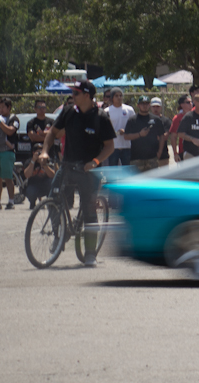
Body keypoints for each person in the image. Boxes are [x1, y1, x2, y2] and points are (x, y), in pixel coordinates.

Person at [40, 80, 115, 266]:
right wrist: (44, 152)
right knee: (52, 200)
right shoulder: (68, 112)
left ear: (87, 96)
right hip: (67, 166)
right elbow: (52, 133)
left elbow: (109, 146)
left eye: (76, 93)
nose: (72, 96)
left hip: (88, 170)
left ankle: (90, 254)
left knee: (89, 210)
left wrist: (95, 162)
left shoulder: (101, 117)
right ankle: (60, 234)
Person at [0, 98, 19, 210]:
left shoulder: (13, 119)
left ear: (9, 107)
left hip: (7, 152)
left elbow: (10, 131)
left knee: (8, 177)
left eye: (3, 107)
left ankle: (11, 201)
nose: (0, 110)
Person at [123, 96, 167, 172]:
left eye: (146, 104)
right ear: (138, 105)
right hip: (136, 158)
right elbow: (126, 136)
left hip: (152, 157)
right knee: (137, 179)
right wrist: (139, 134)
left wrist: (160, 152)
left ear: (149, 105)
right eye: (142, 104)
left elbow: (162, 136)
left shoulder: (156, 119)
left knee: (152, 179)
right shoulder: (132, 120)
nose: (144, 106)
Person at [104, 88, 135, 166]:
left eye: (120, 95)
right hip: (113, 147)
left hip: (126, 146)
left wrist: (126, 131)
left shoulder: (129, 110)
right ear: (112, 98)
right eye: (116, 96)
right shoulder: (107, 111)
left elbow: (134, 125)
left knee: (126, 169)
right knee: (113, 169)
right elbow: (105, 128)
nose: (119, 98)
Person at [149, 97, 172, 166]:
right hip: (149, 156)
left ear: (161, 107)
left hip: (163, 155)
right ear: (150, 107)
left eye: (157, 107)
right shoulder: (146, 120)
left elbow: (165, 136)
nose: (155, 109)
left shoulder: (166, 121)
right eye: (153, 107)